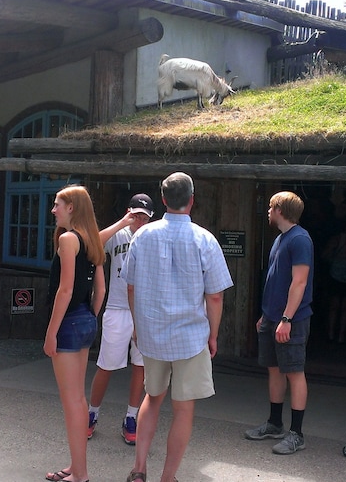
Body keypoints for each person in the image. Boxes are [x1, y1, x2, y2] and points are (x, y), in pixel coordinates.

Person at [123, 172, 233, 482]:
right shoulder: (204, 239)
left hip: (152, 334)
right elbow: (214, 295)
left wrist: (137, 324)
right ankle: (167, 477)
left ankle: (139, 468)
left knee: (152, 397)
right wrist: (213, 335)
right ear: (192, 200)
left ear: (163, 200)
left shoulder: (141, 236)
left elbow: (130, 287)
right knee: (183, 409)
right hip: (190, 337)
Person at [43, 185, 106, 482]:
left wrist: (51, 332)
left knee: (71, 402)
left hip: (68, 323)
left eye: (58, 204)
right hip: (85, 319)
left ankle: (79, 474)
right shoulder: (92, 241)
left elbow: (64, 289)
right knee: (78, 401)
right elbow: (101, 289)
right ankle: (76, 466)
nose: (53, 210)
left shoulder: (68, 239)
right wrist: (90, 316)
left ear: (72, 208)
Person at [244, 191, 314, 455]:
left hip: (291, 320)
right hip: (273, 318)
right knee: (274, 369)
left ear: (280, 210)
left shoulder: (300, 240)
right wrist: (267, 315)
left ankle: (297, 434)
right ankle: (275, 423)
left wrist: (286, 318)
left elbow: (300, 282)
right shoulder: (281, 239)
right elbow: (275, 280)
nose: (268, 212)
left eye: (271, 207)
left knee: (295, 372)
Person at [85, 193, 154, 446]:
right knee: (106, 364)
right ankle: (92, 413)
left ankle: (131, 417)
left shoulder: (153, 236)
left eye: (144, 217)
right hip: (117, 308)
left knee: (140, 366)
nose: (139, 220)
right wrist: (122, 223)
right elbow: (93, 245)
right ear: (128, 211)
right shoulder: (120, 234)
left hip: (144, 310)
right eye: (135, 214)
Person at [323, 212, 346, 344]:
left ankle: (331, 334)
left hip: (335, 274)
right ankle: (341, 336)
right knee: (345, 309)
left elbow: (324, 255)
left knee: (334, 307)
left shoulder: (337, 239)